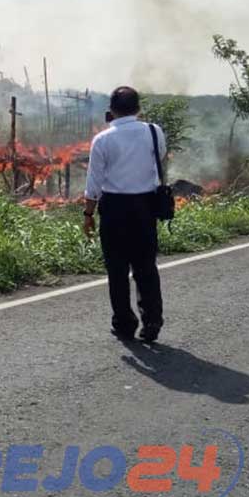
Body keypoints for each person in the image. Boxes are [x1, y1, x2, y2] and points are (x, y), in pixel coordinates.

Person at [82, 86, 167, 343]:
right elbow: (160, 158)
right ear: (138, 108)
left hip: (114, 209)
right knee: (145, 267)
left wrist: (88, 214)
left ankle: (124, 322)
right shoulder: (154, 131)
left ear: (111, 110)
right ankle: (152, 320)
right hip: (145, 207)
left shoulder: (103, 139)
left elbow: (93, 181)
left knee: (117, 270)